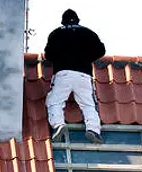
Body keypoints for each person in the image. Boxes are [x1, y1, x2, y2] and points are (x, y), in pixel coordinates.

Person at [43, 9, 106, 143]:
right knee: (88, 104)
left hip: (63, 73)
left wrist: (61, 58)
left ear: (62, 21)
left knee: (55, 101)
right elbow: (101, 50)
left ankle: (58, 125)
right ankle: (93, 129)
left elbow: (48, 54)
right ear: (78, 20)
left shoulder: (56, 34)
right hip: (84, 74)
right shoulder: (89, 33)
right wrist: (87, 57)